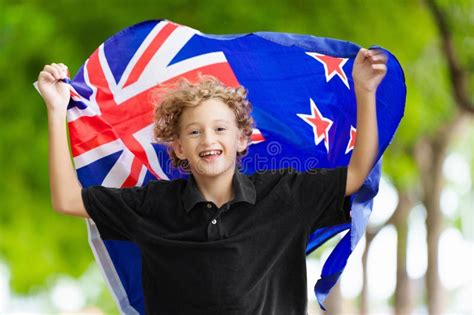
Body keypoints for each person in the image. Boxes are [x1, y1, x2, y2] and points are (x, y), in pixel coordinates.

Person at [37, 47, 387, 315]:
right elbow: (67, 200)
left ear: (242, 139)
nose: (208, 140)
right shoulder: (153, 205)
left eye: (220, 129)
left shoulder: (284, 195)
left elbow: (356, 174)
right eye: (194, 132)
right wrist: (56, 109)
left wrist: (365, 92)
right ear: (178, 147)